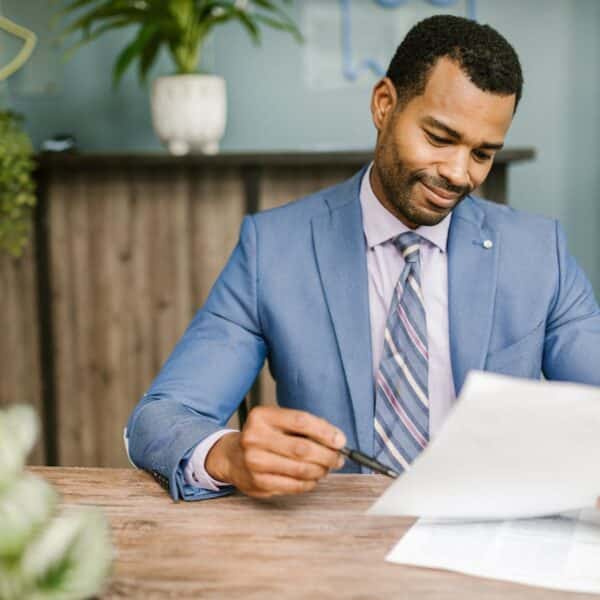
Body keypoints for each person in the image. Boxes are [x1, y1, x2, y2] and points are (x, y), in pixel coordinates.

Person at [125, 15, 600, 502]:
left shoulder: (540, 253)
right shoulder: (274, 248)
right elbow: (158, 418)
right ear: (384, 104)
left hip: (487, 539)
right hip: (336, 543)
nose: (458, 174)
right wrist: (228, 455)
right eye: (439, 138)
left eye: (482, 154)